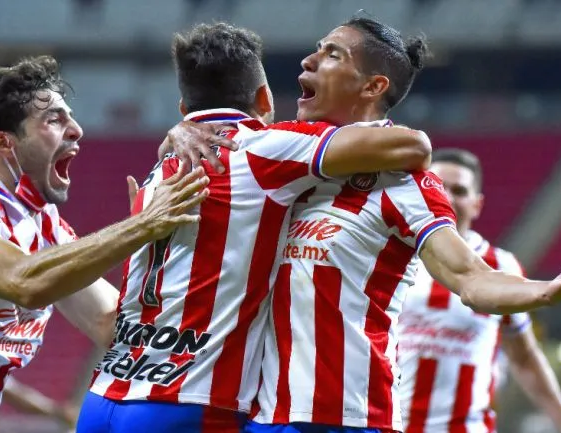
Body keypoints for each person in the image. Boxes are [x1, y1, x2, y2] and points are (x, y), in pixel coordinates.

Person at [247, 16, 561, 433]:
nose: (308, 61)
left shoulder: (404, 183)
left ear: (373, 87)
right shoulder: (282, 162)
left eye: (333, 54)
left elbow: (471, 279)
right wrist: (185, 136)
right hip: (262, 414)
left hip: (346, 417)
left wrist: (548, 291)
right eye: (317, 49)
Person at [78, 22, 434, 433]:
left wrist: (177, 131)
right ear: (265, 98)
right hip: (188, 399)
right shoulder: (263, 147)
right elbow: (412, 146)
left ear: (183, 110)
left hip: (105, 394)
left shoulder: (157, 172)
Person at [0, 55, 216, 433]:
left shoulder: (50, 230)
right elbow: (24, 282)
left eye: (71, 117)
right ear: (4, 143)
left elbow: (112, 323)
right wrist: (142, 227)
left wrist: (159, 249)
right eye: (54, 119)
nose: (77, 130)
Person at [397, 148, 561, 433]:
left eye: (459, 190)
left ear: (477, 204)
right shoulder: (392, 256)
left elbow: (524, 357)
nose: (446, 197)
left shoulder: (501, 265)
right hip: (388, 425)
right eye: (438, 186)